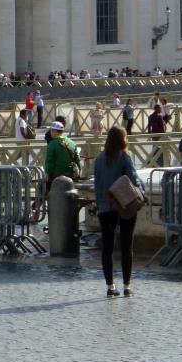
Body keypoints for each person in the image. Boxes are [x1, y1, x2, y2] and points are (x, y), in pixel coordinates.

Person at [93, 126, 145, 298]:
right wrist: (142, 194)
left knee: (107, 248)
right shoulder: (124, 156)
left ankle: (110, 286)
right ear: (122, 140)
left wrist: (100, 204)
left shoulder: (99, 159)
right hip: (124, 204)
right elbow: (133, 179)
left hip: (104, 207)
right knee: (126, 246)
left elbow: (97, 184)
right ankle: (127, 286)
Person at [44, 121, 81, 194]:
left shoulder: (52, 144)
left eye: (51, 130)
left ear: (55, 131)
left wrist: (47, 174)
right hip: (70, 175)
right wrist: (79, 170)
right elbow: (77, 159)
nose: (50, 132)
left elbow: (49, 162)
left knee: (46, 192)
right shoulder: (71, 142)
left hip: (57, 176)